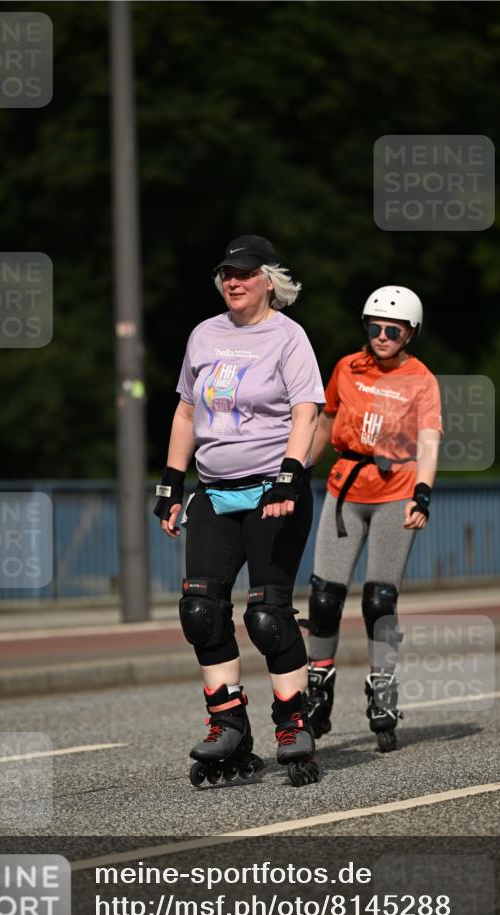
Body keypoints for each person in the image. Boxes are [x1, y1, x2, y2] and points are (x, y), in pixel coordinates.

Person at [153, 235, 325, 787]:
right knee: (199, 609)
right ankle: (228, 723)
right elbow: (185, 411)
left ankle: (293, 721)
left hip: (273, 492)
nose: (234, 280)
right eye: (227, 272)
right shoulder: (204, 335)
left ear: (268, 281)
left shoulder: (288, 337)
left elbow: (307, 411)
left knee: (268, 616)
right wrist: (171, 483)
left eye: (246, 273)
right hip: (215, 490)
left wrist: (290, 475)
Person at [302, 285, 442, 751]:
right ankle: (318, 685)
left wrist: (422, 493)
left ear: (410, 333)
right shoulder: (347, 367)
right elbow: (324, 422)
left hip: (394, 493)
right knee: (323, 599)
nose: (381, 336)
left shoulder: (421, 379)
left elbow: (428, 439)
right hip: (344, 492)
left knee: (378, 601)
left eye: (392, 329)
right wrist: (298, 470)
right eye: (374, 327)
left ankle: (382, 688)